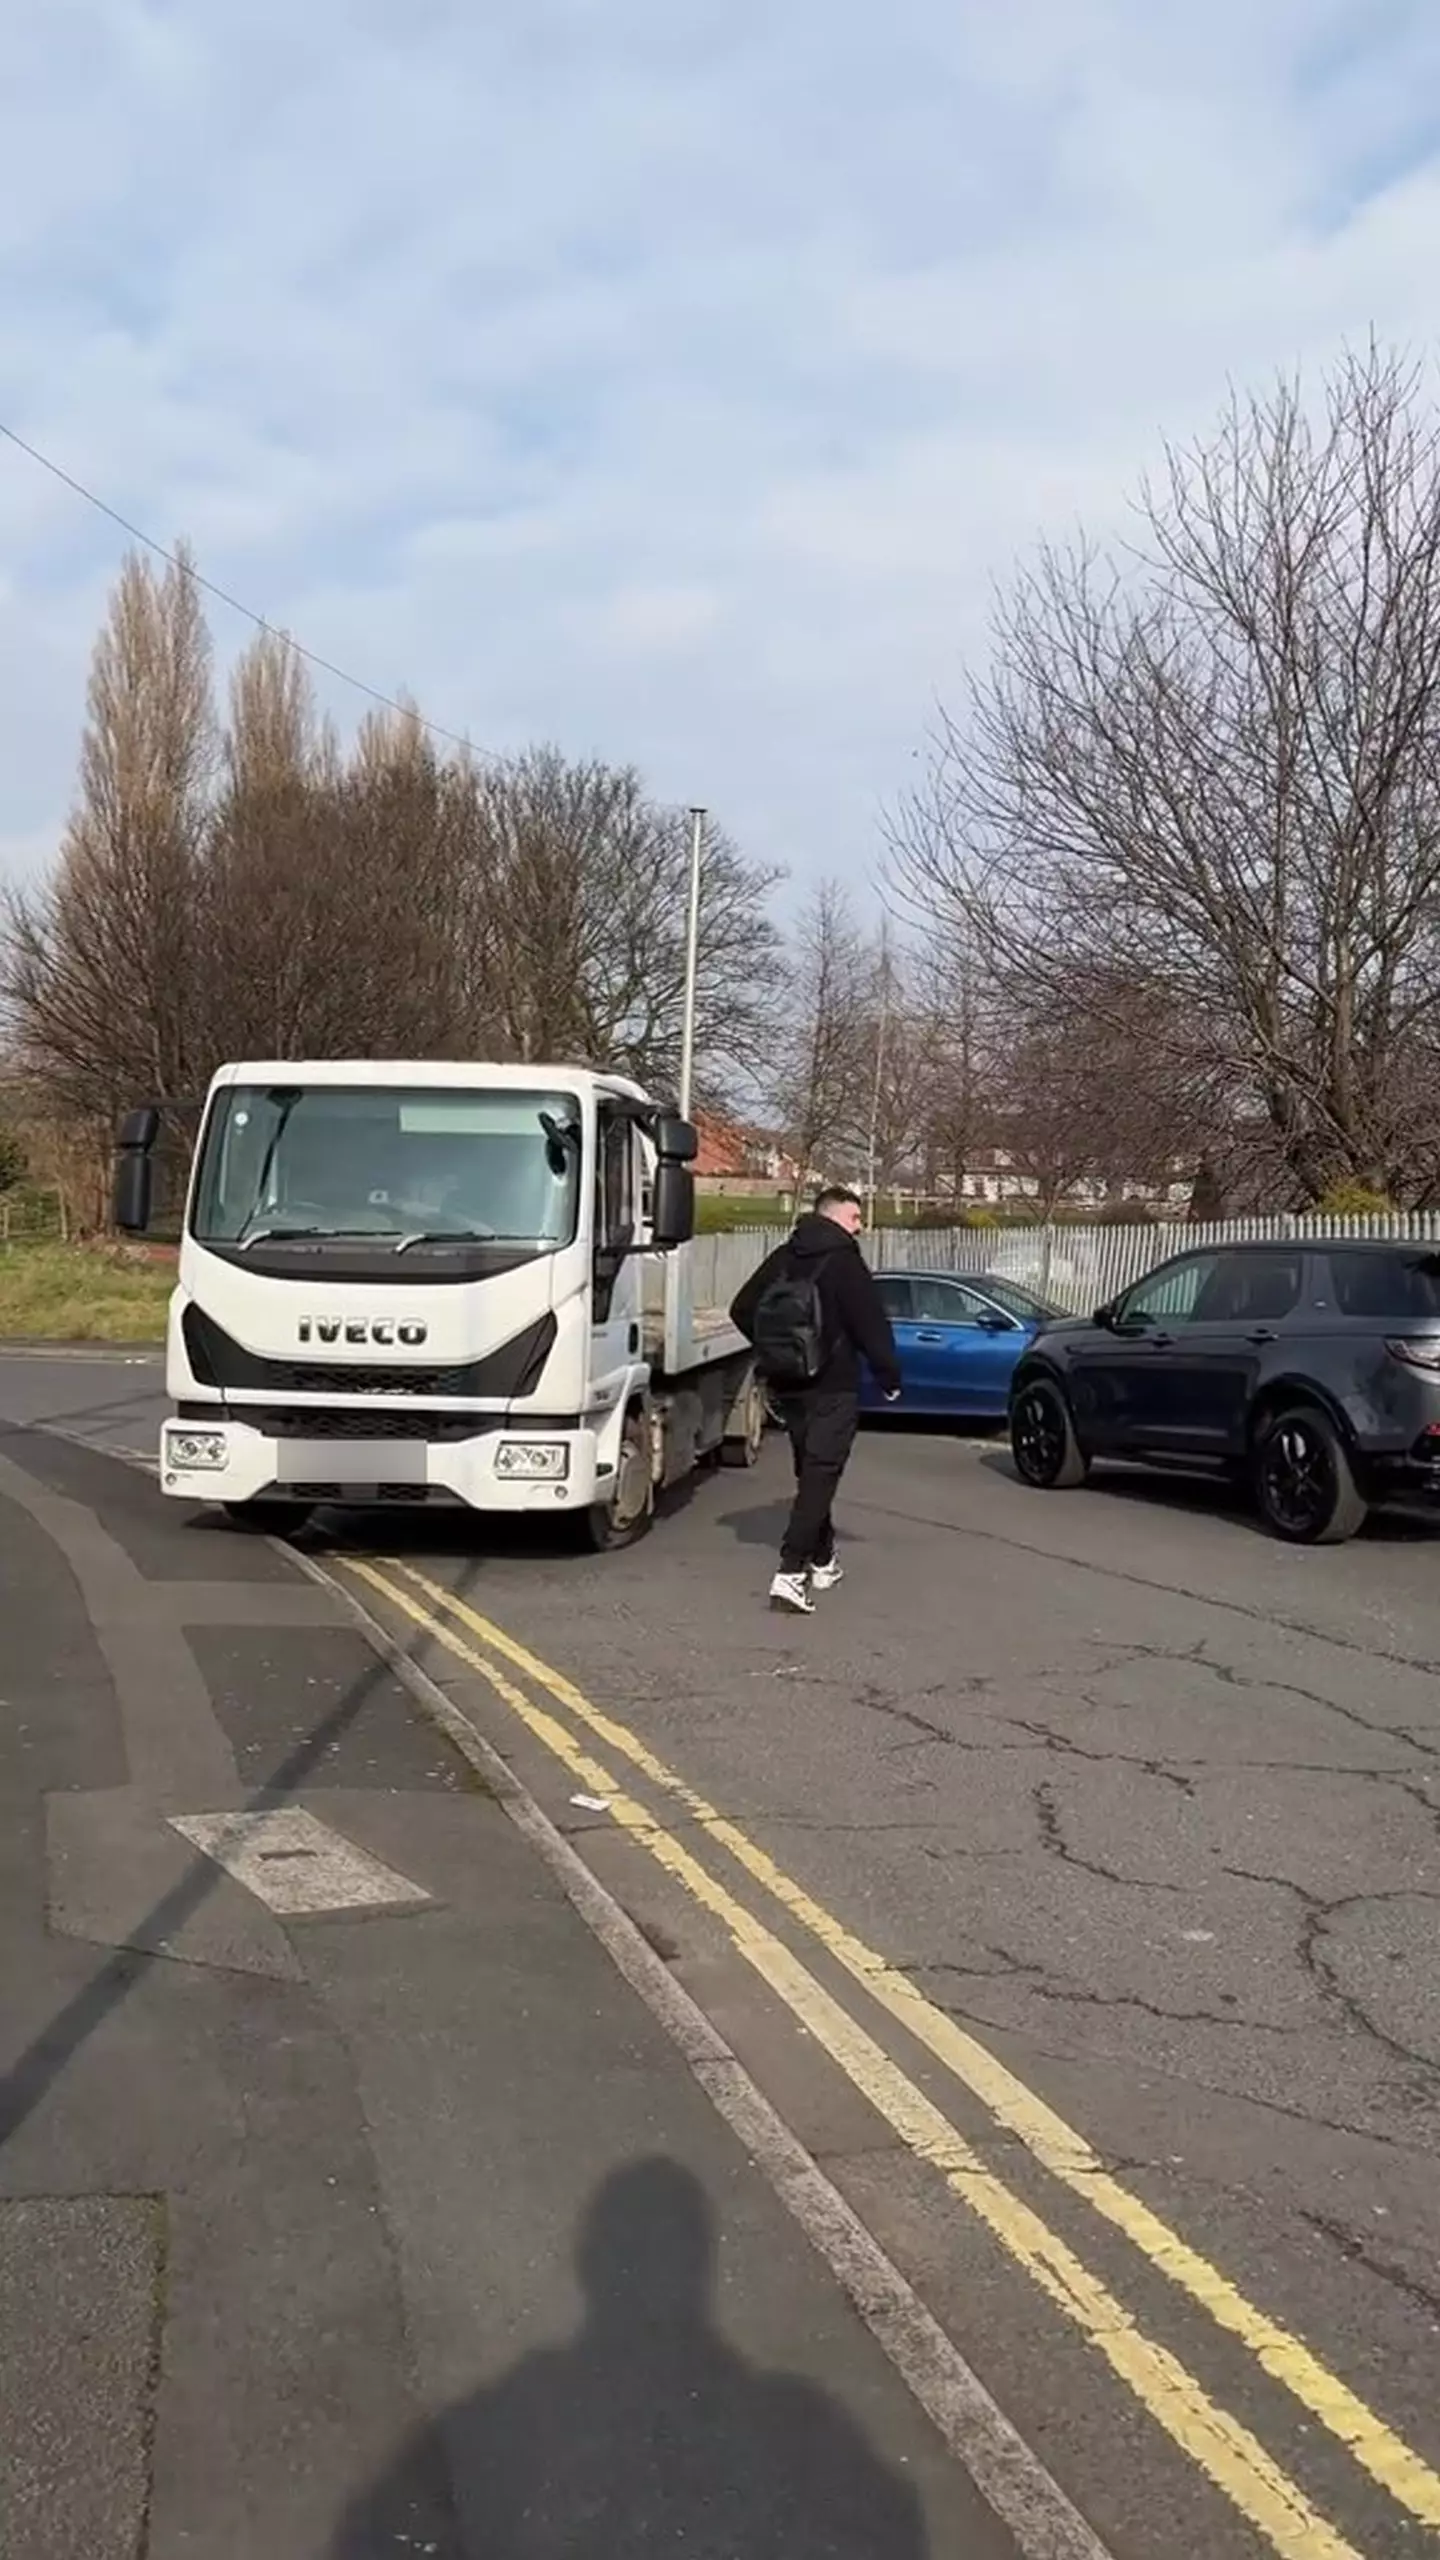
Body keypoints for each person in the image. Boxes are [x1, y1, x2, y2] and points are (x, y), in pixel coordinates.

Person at [731, 1187, 901, 1614]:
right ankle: (790, 1573)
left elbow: (741, 1308)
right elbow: (870, 1325)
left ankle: (823, 1560)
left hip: (789, 1383)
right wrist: (888, 1375)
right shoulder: (845, 1262)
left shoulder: (783, 1257)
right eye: (855, 1217)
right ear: (834, 1217)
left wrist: (775, 1351)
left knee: (811, 1471)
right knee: (821, 1474)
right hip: (833, 1384)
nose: (860, 1225)